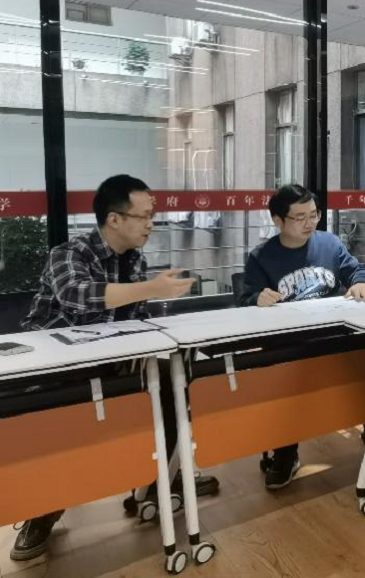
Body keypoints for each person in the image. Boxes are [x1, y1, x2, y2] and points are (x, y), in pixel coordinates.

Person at [11, 175, 217, 562]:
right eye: (143, 216)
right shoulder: (69, 253)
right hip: (56, 367)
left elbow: (133, 317)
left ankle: (161, 478)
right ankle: (42, 511)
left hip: (111, 359)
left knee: (174, 381)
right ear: (114, 219)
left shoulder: (134, 260)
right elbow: (77, 296)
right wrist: (151, 289)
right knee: (61, 427)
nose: (150, 224)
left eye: (152, 215)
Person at [240, 184, 365, 488]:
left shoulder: (330, 244)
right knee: (284, 381)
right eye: (300, 217)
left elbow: (357, 271)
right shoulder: (261, 257)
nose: (309, 223)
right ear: (278, 220)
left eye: (314, 215)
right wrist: (257, 298)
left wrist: (359, 282)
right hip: (290, 344)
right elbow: (244, 300)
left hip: (335, 335)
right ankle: (285, 453)